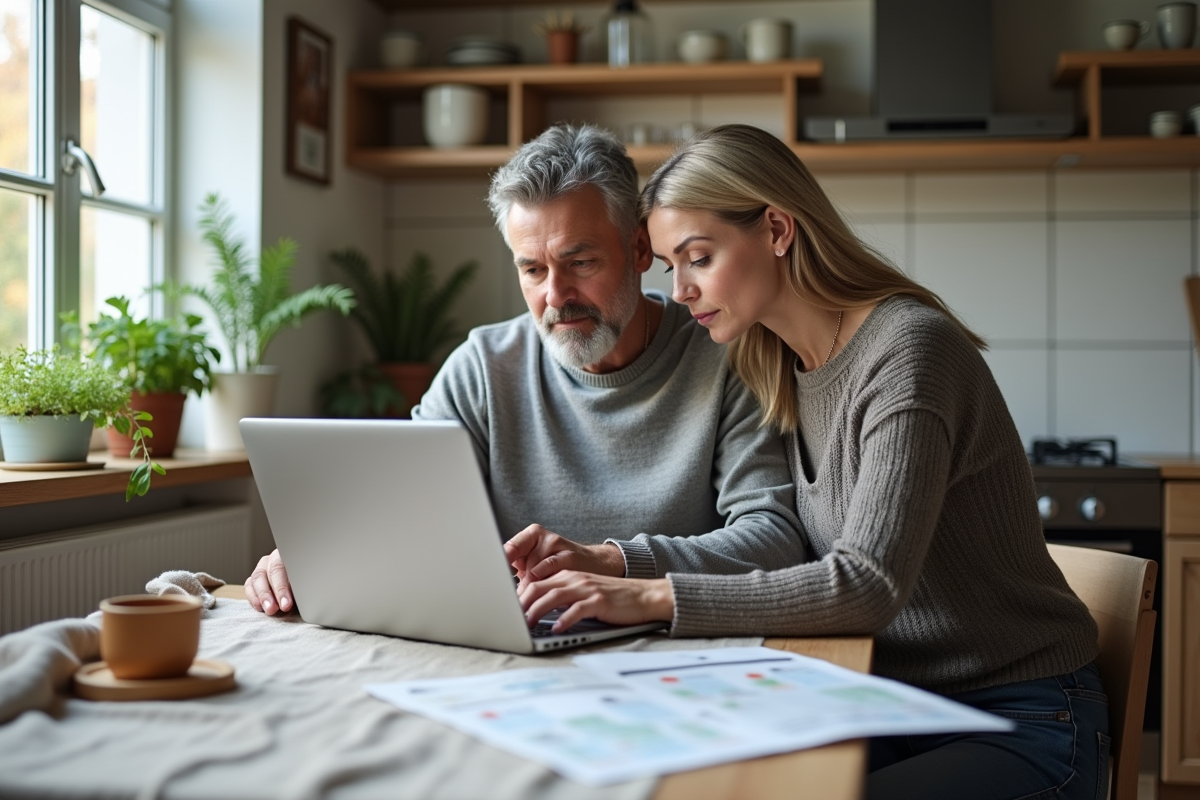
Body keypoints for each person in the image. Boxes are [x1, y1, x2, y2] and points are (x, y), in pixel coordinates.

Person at [514, 124, 1108, 800]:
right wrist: (613, 560)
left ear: (775, 230)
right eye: (671, 265)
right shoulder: (779, 362)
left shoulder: (909, 352)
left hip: (1020, 714)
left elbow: (866, 585)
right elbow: (789, 547)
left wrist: (647, 596)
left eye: (698, 258)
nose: (678, 290)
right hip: (893, 703)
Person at [244, 124, 804, 616]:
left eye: (580, 263)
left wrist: (615, 563)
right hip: (522, 654)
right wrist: (313, 553)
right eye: (532, 269)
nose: (556, 296)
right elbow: (396, 512)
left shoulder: (728, 355)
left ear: (638, 249)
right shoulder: (483, 369)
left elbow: (773, 539)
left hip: (675, 652)